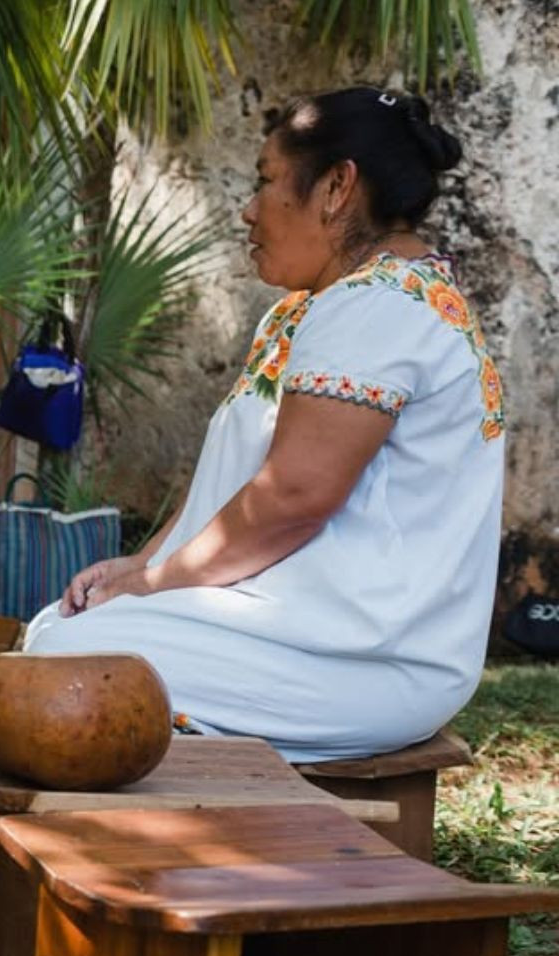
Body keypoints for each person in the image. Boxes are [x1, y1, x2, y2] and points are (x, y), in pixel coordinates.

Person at [26, 87, 501, 763]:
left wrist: (153, 586)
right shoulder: (311, 310)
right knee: (61, 628)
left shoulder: (380, 307)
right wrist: (144, 562)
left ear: (337, 186)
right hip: (296, 626)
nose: (248, 211)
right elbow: (236, 484)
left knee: (65, 658)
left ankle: (153, 854)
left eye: (267, 182)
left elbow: (292, 500)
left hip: (364, 657)